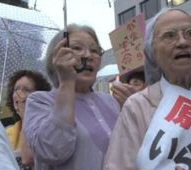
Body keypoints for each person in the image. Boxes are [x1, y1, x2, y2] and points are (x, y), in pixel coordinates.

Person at [104, 8, 191, 169]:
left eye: (190, 33)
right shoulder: (138, 107)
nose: (183, 42)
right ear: (152, 51)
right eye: (170, 35)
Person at [24, 24, 120, 170]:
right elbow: (53, 151)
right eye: (76, 48)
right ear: (56, 58)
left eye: (94, 50)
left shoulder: (110, 101)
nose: (87, 55)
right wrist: (67, 82)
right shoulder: (39, 101)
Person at [6, 70, 51, 169]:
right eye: (16, 89)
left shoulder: (48, 128)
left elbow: (28, 160)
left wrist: (27, 113)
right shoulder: (8, 131)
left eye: (26, 90)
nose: (19, 94)